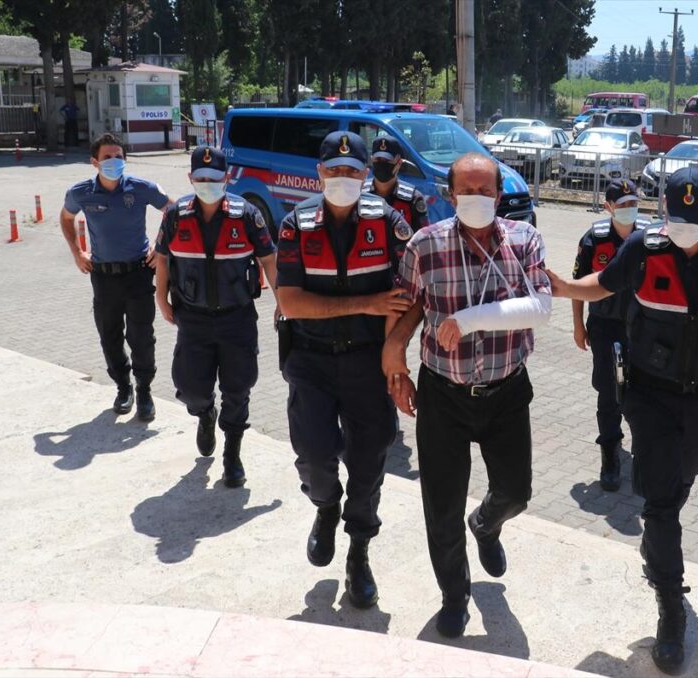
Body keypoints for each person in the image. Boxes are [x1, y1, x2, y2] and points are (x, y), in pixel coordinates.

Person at [548, 167, 698, 674]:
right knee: (660, 501)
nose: (685, 228)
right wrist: (564, 288)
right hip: (649, 395)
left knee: (686, 472)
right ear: (665, 211)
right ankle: (670, 608)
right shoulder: (645, 248)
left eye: (696, 219)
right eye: (678, 217)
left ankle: (662, 533)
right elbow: (602, 286)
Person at [382, 152, 551, 638]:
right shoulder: (424, 245)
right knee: (441, 505)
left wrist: (468, 320)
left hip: (506, 392)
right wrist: (394, 362)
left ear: (500, 194)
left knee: (516, 492)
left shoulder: (525, 241)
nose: (477, 200)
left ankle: (488, 524)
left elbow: (539, 308)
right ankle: (454, 596)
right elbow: (408, 307)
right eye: (467, 191)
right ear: (449, 194)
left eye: (486, 191)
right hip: (444, 395)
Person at [275, 131, 412, 609]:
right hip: (310, 360)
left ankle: (359, 552)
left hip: (367, 361)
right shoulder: (296, 224)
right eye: (334, 171)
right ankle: (325, 506)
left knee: (370, 460)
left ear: (365, 176)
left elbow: (403, 298)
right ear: (319, 173)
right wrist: (368, 302)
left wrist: (395, 354)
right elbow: (289, 302)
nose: (343, 179)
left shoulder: (389, 223)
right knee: (313, 455)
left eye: (352, 171)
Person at [154, 146, 279, 487]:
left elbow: (269, 259)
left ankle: (232, 454)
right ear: (190, 178)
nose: (207, 183)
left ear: (227, 178)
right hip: (191, 318)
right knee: (189, 387)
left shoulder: (247, 214)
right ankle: (205, 413)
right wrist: (160, 295)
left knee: (238, 389)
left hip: (237, 318)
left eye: (214, 178)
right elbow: (162, 257)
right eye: (201, 177)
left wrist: (283, 302)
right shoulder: (176, 214)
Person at [60, 132, 172, 421]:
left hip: (138, 274)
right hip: (103, 276)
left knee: (142, 337)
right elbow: (66, 217)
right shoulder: (80, 192)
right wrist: (77, 252)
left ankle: (144, 390)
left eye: (118, 157)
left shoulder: (141, 188)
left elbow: (173, 210)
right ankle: (124, 387)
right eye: (107, 157)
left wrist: (161, 248)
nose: (113, 161)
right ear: (94, 162)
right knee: (109, 336)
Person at [571, 179, 652, 491]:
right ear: (608, 207)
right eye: (622, 205)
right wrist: (578, 325)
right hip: (604, 326)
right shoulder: (594, 239)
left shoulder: (650, 238)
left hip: (642, 328)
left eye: (634, 203)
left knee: (641, 392)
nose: (630, 210)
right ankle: (610, 455)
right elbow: (577, 286)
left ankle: (644, 452)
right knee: (608, 391)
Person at [363, 136, 429, 234]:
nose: (382, 164)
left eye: (387, 160)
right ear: (372, 160)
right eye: (378, 159)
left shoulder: (413, 198)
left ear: (399, 163)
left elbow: (423, 237)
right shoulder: (361, 194)